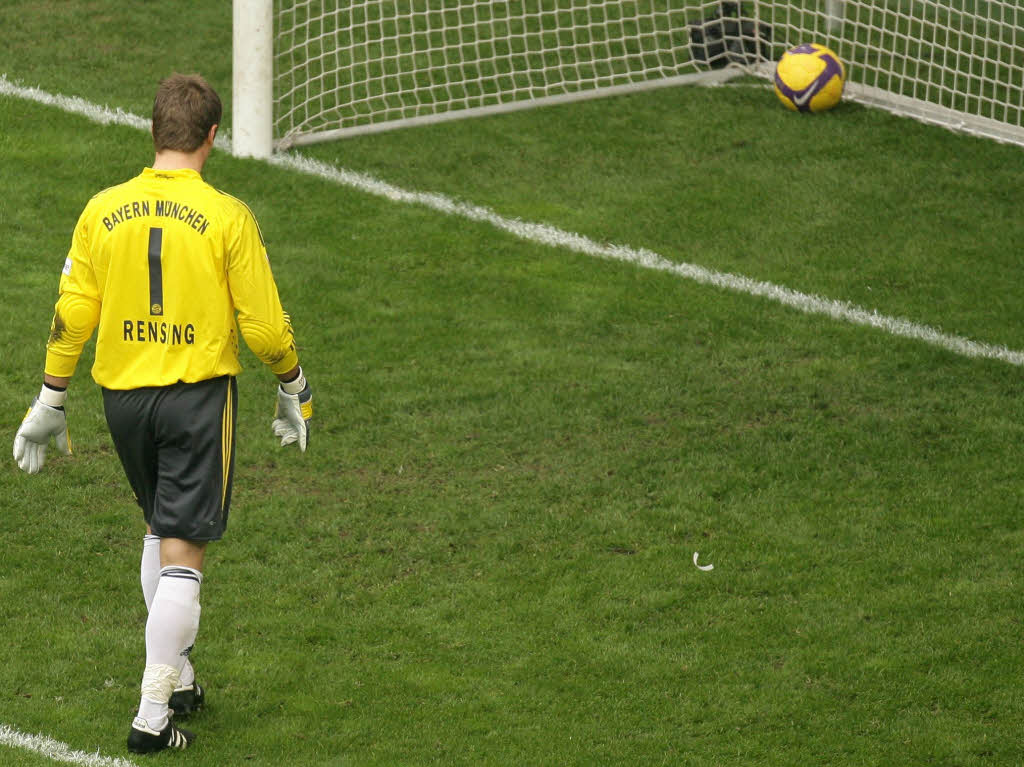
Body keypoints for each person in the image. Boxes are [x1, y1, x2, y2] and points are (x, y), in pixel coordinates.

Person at [12, 73, 313, 754]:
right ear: (213, 138)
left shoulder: (100, 209)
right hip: (196, 397)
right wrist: (293, 383)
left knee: (159, 526)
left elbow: (73, 312)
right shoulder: (228, 215)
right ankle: (152, 713)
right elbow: (263, 326)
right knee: (184, 549)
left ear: (152, 132)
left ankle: (178, 677)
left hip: (123, 401)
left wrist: (51, 398)